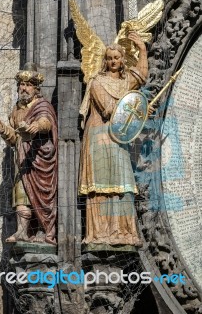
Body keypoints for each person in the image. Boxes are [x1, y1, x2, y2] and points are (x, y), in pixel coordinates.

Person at [79, 32, 149, 246]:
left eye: (116, 58)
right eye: (109, 58)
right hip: (100, 135)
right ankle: (99, 234)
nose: (113, 61)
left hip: (117, 137)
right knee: (101, 185)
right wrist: (136, 110)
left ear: (122, 59)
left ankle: (123, 232)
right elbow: (109, 110)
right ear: (105, 61)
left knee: (122, 181)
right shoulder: (97, 82)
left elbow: (142, 76)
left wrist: (143, 50)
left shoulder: (127, 80)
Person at [0, 63, 58, 245]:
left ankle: (45, 231)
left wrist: (36, 126)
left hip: (39, 158)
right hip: (21, 157)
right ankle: (22, 231)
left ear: (36, 88)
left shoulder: (42, 104)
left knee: (42, 195)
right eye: (21, 84)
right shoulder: (17, 109)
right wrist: (1, 128)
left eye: (28, 85)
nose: (24, 88)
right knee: (21, 193)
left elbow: (47, 122)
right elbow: (14, 138)